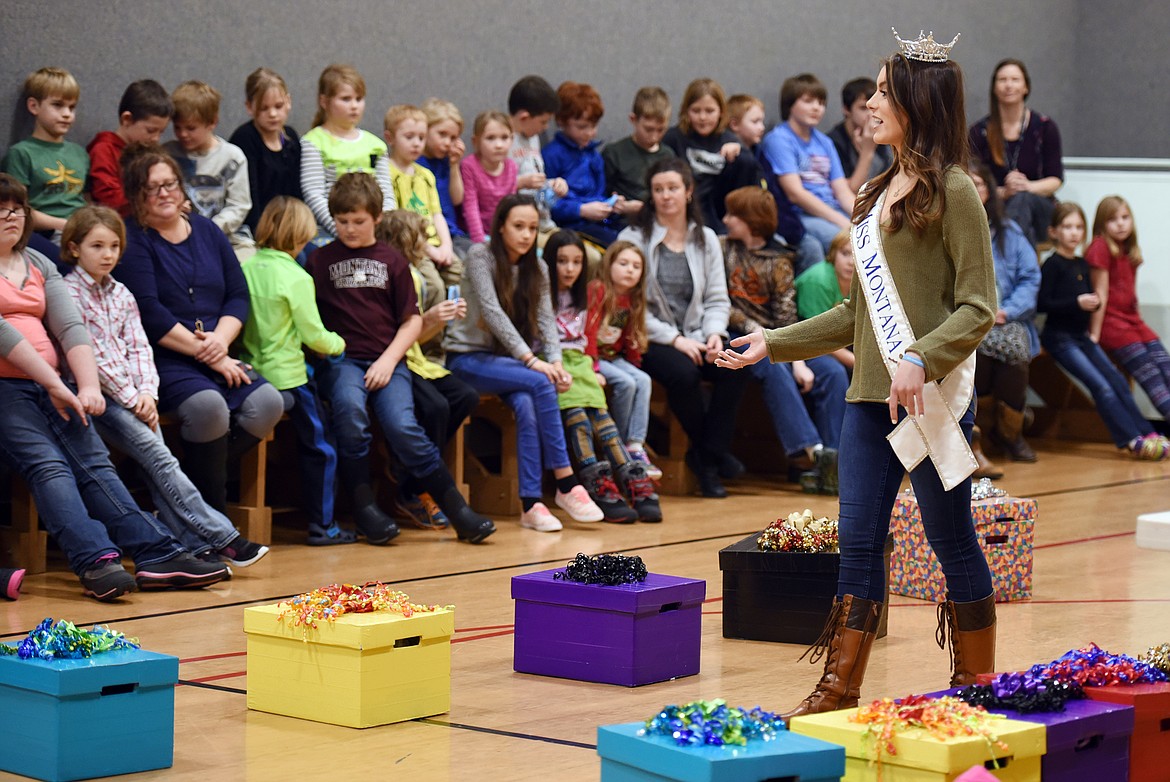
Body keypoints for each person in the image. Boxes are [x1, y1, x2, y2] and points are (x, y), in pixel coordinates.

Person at [717, 31, 1000, 716]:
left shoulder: (957, 192)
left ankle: (977, 686)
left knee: (950, 539)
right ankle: (838, 688)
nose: (870, 102)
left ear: (915, 100)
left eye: (880, 90)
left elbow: (978, 308)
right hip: (868, 400)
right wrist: (771, 342)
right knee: (858, 547)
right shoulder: (873, 191)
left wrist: (918, 357)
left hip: (929, 401)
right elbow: (854, 314)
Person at [0, 174, 228, 600]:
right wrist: (57, 384)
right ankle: (96, 559)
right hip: (9, 388)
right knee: (49, 466)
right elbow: (5, 335)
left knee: (96, 462)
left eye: (17, 208)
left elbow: (70, 326)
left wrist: (87, 386)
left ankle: (156, 554)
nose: (11, 217)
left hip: (56, 386)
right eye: (1, 210)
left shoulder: (37, 262)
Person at [63, 205, 269, 566]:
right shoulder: (68, 293)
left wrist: (147, 393)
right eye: (97, 246)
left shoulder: (121, 294)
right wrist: (132, 397)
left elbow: (140, 349)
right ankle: (224, 537)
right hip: (97, 398)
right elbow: (92, 356)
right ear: (74, 248)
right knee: (160, 459)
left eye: (114, 246)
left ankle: (192, 542)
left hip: (135, 396)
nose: (108, 254)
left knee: (160, 462)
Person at [310, 173, 495, 545]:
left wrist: (387, 361)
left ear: (377, 218)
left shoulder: (393, 261)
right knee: (350, 415)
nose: (349, 229)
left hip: (389, 361)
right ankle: (364, 509)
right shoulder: (320, 259)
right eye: (342, 221)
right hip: (342, 362)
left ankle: (457, 510)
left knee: (403, 427)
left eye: (358, 222)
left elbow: (411, 320)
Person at [114, 144, 285, 519]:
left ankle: (183, 500)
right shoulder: (133, 239)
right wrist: (209, 353)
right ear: (135, 195)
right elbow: (149, 312)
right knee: (209, 409)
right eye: (152, 188)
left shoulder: (207, 230)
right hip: (166, 357)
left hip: (215, 348)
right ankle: (213, 521)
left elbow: (238, 295)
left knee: (268, 404)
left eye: (171, 184)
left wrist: (221, 343)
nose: (164, 194)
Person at [443, 195, 604, 532]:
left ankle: (531, 504)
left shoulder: (539, 268)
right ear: (501, 227)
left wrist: (556, 361)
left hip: (507, 364)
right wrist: (533, 361)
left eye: (532, 227)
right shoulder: (479, 256)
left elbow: (546, 319)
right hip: (467, 358)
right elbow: (492, 311)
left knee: (529, 404)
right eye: (518, 226)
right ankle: (565, 482)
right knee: (539, 382)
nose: (527, 234)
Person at [617, 157, 749, 498]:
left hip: (697, 333)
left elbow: (719, 299)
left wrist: (714, 334)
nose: (665, 196)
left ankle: (706, 454)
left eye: (673, 188)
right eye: (658, 189)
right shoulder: (633, 237)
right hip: (650, 337)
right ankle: (711, 461)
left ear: (688, 192)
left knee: (735, 363)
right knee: (684, 374)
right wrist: (675, 339)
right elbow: (628, 306)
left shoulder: (705, 238)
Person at [240, 196, 357, 545]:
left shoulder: (247, 266)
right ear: (301, 235)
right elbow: (315, 336)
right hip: (288, 378)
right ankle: (324, 526)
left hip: (253, 373)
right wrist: (340, 343)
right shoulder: (295, 276)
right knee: (323, 447)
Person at [721, 186, 846, 494]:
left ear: (751, 220)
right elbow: (723, 304)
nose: (725, 220)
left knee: (832, 371)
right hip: (739, 338)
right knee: (773, 366)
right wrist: (760, 333)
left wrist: (799, 360)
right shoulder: (722, 248)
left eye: (733, 214)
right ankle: (812, 452)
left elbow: (786, 317)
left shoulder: (780, 259)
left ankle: (836, 461)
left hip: (777, 337)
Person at [544, 230, 661, 522]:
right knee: (580, 418)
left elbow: (600, 335)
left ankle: (629, 474)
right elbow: (588, 334)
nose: (570, 269)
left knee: (602, 418)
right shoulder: (545, 293)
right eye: (561, 261)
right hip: (555, 359)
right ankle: (595, 479)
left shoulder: (582, 294)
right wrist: (593, 365)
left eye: (576, 262)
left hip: (581, 358)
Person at [1038, 202, 1169, 460]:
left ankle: (1147, 433)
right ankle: (1130, 439)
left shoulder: (1081, 263)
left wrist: (1092, 307)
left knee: (1117, 381)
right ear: (1054, 232)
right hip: (1060, 338)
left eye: (1078, 227)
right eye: (1067, 227)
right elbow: (1042, 304)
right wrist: (1076, 303)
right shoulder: (1052, 264)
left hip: (1080, 337)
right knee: (1101, 387)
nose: (1074, 233)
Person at [376, 209, 477, 530]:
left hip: (418, 354)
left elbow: (422, 334)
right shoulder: (391, 272)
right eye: (421, 235)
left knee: (465, 397)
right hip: (395, 356)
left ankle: (408, 471)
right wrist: (432, 318)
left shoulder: (417, 270)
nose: (427, 242)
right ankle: (416, 488)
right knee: (434, 407)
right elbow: (398, 333)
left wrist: (439, 319)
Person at [967, 159, 1040, 463]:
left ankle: (1010, 433)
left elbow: (1030, 277)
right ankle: (974, 432)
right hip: (966, 319)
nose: (973, 189)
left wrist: (1006, 311)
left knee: (1015, 345)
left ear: (989, 190)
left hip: (1005, 316)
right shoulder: (944, 228)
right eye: (966, 184)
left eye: (979, 184)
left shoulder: (1008, 231)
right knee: (971, 348)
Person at [1087, 195, 1170, 424]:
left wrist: (1139, 324)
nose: (1121, 223)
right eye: (1113, 219)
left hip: (1132, 322)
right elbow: (1100, 295)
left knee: (1165, 365)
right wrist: (1094, 335)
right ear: (1102, 224)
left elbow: (1129, 293)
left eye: (1125, 217)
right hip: (1112, 324)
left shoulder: (1128, 248)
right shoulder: (1100, 247)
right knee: (1152, 377)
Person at [760, 73, 856, 269]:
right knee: (849, 243)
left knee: (871, 237)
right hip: (803, 215)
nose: (816, 108)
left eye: (821, 103)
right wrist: (841, 221)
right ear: (790, 105)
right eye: (808, 101)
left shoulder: (825, 142)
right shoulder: (779, 139)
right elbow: (796, 194)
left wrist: (864, 217)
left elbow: (842, 191)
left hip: (831, 210)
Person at [587, 240, 662, 480]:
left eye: (636, 266)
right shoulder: (598, 289)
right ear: (609, 265)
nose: (630, 270)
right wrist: (593, 365)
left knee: (642, 380)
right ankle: (616, 446)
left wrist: (634, 360)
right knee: (626, 383)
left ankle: (635, 446)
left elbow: (630, 335)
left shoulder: (633, 299)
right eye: (624, 263)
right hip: (593, 357)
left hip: (612, 357)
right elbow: (588, 332)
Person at [969, 59, 1063, 246]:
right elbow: (970, 182)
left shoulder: (1045, 127)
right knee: (1012, 207)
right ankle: (1021, 268)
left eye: (1015, 79)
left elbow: (1055, 179)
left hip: (1039, 205)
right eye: (1003, 80)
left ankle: (1008, 264)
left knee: (1022, 200)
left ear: (1026, 87)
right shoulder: (979, 132)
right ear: (994, 88)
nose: (1009, 85)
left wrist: (1026, 187)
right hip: (995, 203)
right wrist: (1004, 192)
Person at [300, 64, 395, 242]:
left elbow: (387, 195)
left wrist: (378, 229)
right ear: (324, 101)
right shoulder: (313, 143)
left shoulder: (375, 145)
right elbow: (313, 195)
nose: (354, 106)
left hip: (373, 233)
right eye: (345, 99)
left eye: (359, 99)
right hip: (330, 232)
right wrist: (344, 229)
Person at [163, 81, 254, 257]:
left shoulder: (233, 157)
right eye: (177, 127)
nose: (183, 134)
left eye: (191, 128)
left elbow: (238, 206)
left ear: (212, 122)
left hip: (225, 238)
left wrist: (209, 231)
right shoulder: (167, 154)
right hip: (176, 236)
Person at [662, 78, 761, 233]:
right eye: (696, 111)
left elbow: (749, 179)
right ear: (686, 111)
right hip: (687, 207)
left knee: (745, 160)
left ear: (721, 112)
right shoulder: (674, 138)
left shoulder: (730, 140)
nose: (702, 117)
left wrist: (739, 153)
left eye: (709, 111)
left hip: (720, 211)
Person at [2, 67, 88, 239]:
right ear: (34, 106)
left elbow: (85, 199)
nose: (66, 114)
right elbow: (19, 211)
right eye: (58, 105)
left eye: (72, 108)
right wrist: (66, 225)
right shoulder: (21, 153)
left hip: (83, 230)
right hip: (45, 234)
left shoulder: (80, 153)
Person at [542, 82, 628, 246]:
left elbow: (598, 193)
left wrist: (611, 205)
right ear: (561, 121)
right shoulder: (552, 155)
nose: (590, 133)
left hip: (598, 223)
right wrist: (581, 210)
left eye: (594, 126)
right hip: (570, 226)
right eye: (582, 127)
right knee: (617, 248)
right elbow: (547, 203)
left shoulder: (593, 154)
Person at [228, 68, 302, 239]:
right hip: (258, 229)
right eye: (264, 108)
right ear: (249, 107)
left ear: (288, 101)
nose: (273, 114)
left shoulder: (290, 137)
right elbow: (250, 197)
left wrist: (298, 226)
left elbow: (296, 192)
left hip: (288, 226)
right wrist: (264, 236)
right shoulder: (245, 139)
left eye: (278, 106)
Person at [383, 105, 457, 269]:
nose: (416, 143)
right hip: (409, 247)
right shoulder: (385, 173)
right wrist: (430, 250)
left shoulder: (426, 175)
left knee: (458, 271)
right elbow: (396, 222)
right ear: (390, 138)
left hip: (433, 244)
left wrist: (446, 246)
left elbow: (437, 215)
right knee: (434, 285)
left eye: (421, 138)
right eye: (409, 137)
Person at [87, 80, 172, 217]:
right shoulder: (103, 150)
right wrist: (150, 203)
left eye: (161, 132)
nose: (156, 138)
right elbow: (109, 199)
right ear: (127, 119)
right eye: (151, 131)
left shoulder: (150, 151)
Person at [507, 75, 568, 234]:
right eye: (543, 121)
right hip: (517, 225)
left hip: (543, 219)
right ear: (524, 117)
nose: (546, 127)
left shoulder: (533, 138)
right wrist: (519, 183)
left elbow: (534, 178)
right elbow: (489, 187)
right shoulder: (501, 139)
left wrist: (553, 185)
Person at [602, 87, 675, 211]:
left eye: (661, 130)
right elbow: (601, 195)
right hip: (623, 222)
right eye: (648, 129)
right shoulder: (614, 153)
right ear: (633, 120)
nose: (654, 136)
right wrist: (617, 204)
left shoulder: (668, 156)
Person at [417, 98, 471, 258]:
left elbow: (457, 199)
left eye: (453, 138)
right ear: (425, 130)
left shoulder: (447, 161)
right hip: (430, 236)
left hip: (453, 233)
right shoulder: (415, 162)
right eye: (442, 134)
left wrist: (455, 165)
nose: (447, 142)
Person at [827, 77, 894, 194]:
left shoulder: (882, 133)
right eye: (863, 108)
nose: (870, 115)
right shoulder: (833, 142)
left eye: (873, 108)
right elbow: (850, 192)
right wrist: (867, 152)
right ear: (847, 110)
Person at [460, 111, 518, 244]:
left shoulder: (512, 167)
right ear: (476, 141)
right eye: (490, 138)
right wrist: (479, 241)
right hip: (475, 235)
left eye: (504, 138)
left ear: (512, 139)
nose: (499, 145)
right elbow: (470, 206)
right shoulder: (469, 166)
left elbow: (511, 205)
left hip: (503, 233)